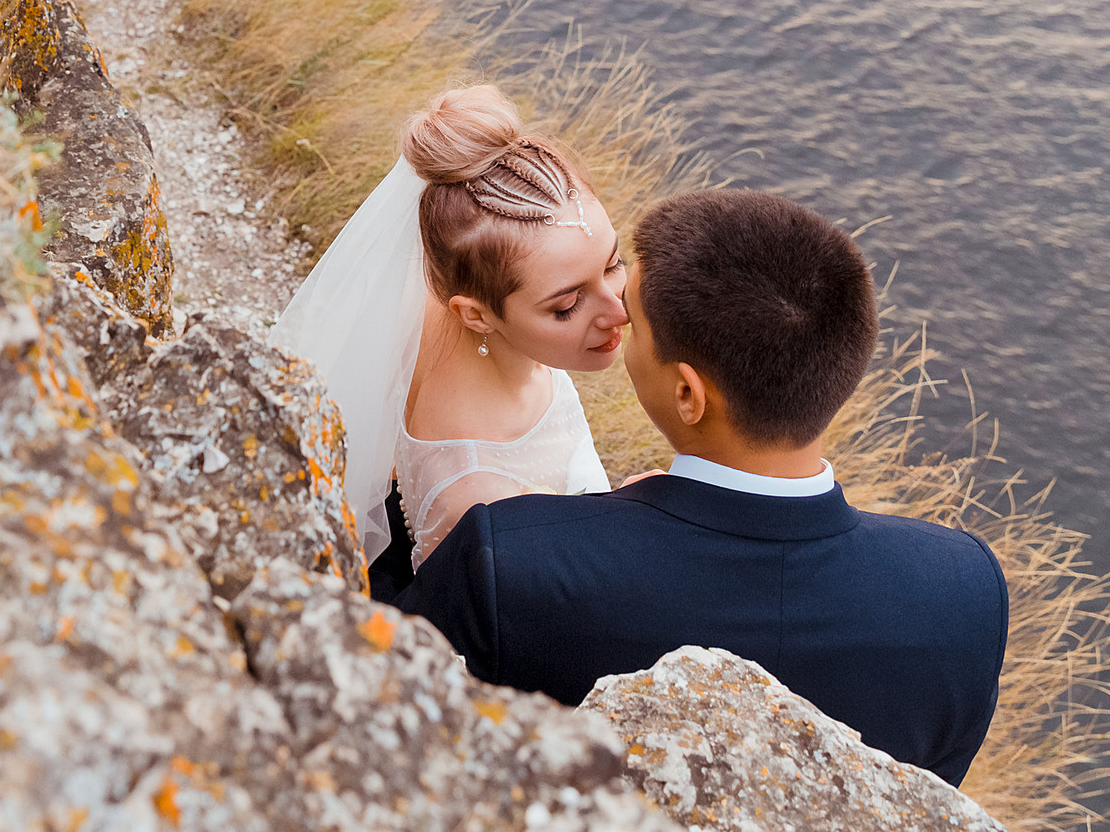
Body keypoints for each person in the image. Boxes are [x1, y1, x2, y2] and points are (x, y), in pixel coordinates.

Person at [397, 188, 1008, 787]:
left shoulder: (511, 561)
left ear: (688, 393)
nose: (616, 320)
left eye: (636, 325)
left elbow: (374, 695)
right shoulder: (966, 591)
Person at [268, 86, 628, 594]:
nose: (620, 309)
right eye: (567, 305)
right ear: (476, 315)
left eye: (613, 264)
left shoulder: (460, 292)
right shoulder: (476, 500)